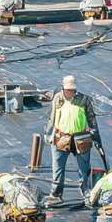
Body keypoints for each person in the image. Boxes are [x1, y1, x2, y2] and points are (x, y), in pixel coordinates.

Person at [44, 76, 98, 205]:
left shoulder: (84, 100)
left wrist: (93, 133)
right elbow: (52, 118)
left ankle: (86, 192)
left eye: (73, 90)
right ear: (63, 88)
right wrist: (49, 134)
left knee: (83, 168)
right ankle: (56, 194)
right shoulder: (58, 98)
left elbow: (91, 118)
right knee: (58, 167)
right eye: (68, 90)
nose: (71, 92)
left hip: (81, 139)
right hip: (61, 138)